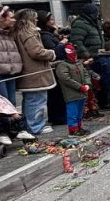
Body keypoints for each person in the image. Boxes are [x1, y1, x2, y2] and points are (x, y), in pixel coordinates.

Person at [13, 9, 57, 139]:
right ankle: (36, 126)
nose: (37, 20)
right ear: (30, 19)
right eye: (35, 18)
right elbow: (36, 51)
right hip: (35, 72)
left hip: (28, 72)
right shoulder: (28, 32)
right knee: (37, 101)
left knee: (31, 100)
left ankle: (31, 125)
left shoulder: (18, 31)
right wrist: (51, 53)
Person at [54, 43, 92, 136]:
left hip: (82, 92)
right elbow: (66, 79)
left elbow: (86, 73)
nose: (73, 53)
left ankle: (79, 127)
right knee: (72, 112)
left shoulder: (78, 63)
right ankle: (73, 129)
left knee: (79, 112)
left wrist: (87, 83)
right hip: (71, 93)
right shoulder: (62, 65)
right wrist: (80, 86)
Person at [37, 11, 67, 126]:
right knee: (55, 93)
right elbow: (53, 51)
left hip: (57, 66)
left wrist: (56, 33)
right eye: (50, 20)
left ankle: (60, 116)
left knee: (58, 93)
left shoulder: (49, 34)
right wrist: (62, 44)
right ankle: (58, 117)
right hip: (53, 67)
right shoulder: (44, 36)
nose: (53, 21)